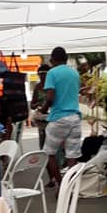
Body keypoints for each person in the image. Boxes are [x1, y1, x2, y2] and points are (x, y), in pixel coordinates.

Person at [40, 47, 81, 186]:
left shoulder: (52, 73)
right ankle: (70, 187)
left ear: (52, 59)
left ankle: (60, 183)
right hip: (75, 117)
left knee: (49, 154)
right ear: (66, 58)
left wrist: (44, 109)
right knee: (72, 156)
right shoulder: (75, 73)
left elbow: (50, 97)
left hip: (58, 118)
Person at [31, 64, 51, 149]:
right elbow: (32, 105)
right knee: (43, 141)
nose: (42, 76)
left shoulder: (53, 86)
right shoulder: (37, 87)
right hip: (42, 119)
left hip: (53, 117)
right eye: (40, 74)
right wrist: (38, 104)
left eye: (44, 74)